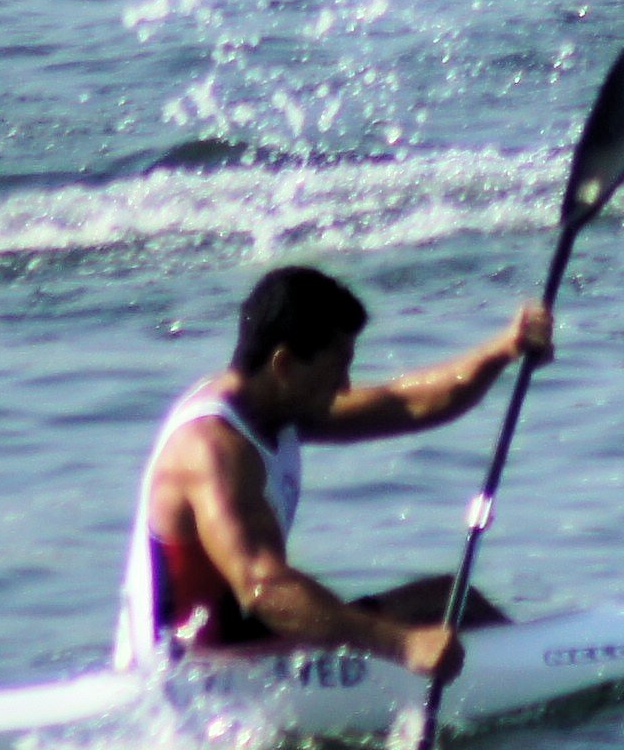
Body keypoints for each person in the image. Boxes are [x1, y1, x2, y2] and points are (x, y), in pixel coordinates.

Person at [116, 265, 548, 673]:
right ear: (284, 365)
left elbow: (404, 402)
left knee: (452, 600)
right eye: (337, 367)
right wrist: (403, 645)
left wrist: (502, 351)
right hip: (194, 678)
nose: (344, 386)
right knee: (435, 615)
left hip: (248, 640)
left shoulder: (273, 405)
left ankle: (533, 666)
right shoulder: (211, 449)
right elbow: (264, 589)